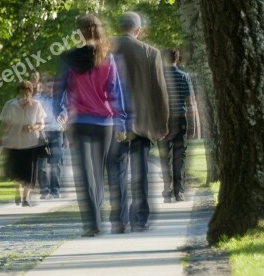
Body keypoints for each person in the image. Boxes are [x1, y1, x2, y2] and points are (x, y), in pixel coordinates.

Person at [55, 15, 126, 237]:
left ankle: (93, 225)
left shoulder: (69, 59)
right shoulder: (108, 57)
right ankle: (112, 219)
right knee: (102, 172)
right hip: (105, 122)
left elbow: (60, 89)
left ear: (80, 32)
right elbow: (114, 91)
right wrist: (121, 120)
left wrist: (60, 112)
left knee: (85, 175)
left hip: (80, 122)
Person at [110, 12, 168, 232]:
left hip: (114, 121)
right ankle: (140, 219)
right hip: (142, 122)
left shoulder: (107, 49)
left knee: (118, 172)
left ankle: (118, 218)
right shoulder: (150, 53)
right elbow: (159, 92)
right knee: (140, 172)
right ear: (138, 29)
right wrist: (162, 124)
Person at [159, 48, 199, 203]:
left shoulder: (159, 77)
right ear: (177, 59)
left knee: (165, 156)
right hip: (180, 119)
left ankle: (167, 190)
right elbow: (190, 103)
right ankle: (179, 192)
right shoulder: (184, 77)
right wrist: (193, 125)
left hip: (163, 121)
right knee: (180, 156)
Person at [0, 81, 47, 207]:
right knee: (17, 171)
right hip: (13, 143)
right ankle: (17, 191)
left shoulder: (36, 105)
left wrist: (33, 128)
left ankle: (26, 198)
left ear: (31, 93)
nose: (24, 95)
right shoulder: (10, 105)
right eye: (21, 92)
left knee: (29, 172)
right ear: (18, 92)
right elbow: (3, 125)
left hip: (31, 143)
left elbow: (41, 124)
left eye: (27, 92)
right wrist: (0, 142)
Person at [36, 75, 65, 199]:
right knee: (41, 164)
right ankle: (44, 190)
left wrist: (65, 116)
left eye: (53, 87)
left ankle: (55, 190)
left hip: (56, 132)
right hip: (41, 133)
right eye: (48, 87)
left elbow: (66, 111)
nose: (51, 89)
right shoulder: (36, 100)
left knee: (56, 163)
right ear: (42, 86)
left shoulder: (60, 99)